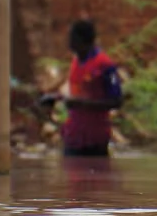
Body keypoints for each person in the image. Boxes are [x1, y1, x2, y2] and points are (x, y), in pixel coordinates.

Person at [40, 20, 124, 157]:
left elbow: (117, 101)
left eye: (72, 38)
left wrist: (82, 104)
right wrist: (55, 98)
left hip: (94, 139)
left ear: (82, 40)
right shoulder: (75, 62)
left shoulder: (104, 65)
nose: (68, 42)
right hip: (73, 136)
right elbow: (78, 93)